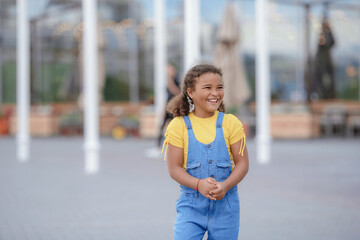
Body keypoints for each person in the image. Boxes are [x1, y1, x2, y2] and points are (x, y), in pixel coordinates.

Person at [162, 64, 249, 239]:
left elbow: (243, 163)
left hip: (226, 209)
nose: (215, 93)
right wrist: (198, 184)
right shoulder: (178, 126)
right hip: (190, 208)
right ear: (190, 92)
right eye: (207, 88)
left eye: (219, 87)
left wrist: (225, 185)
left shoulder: (231, 123)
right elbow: (175, 169)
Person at [157, 64, 181, 147]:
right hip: (168, 106)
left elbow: (178, 93)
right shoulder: (168, 82)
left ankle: (175, 144)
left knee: (175, 126)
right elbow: (167, 96)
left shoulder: (176, 81)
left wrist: (171, 83)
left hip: (174, 107)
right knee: (162, 126)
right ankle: (158, 145)